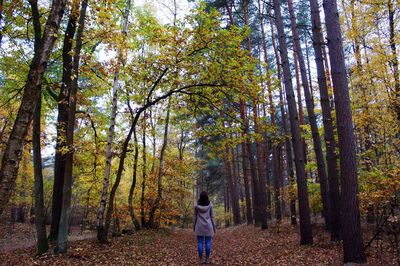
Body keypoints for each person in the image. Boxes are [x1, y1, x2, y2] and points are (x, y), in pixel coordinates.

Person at [193, 191, 216, 264]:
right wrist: (214, 227)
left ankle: (200, 259)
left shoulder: (196, 206)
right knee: (208, 242)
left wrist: (194, 226)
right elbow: (212, 217)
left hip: (199, 226)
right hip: (208, 226)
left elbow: (195, 216)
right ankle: (207, 259)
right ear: (207, 197)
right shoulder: (210, 205)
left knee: (200, 242)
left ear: (200, 197)